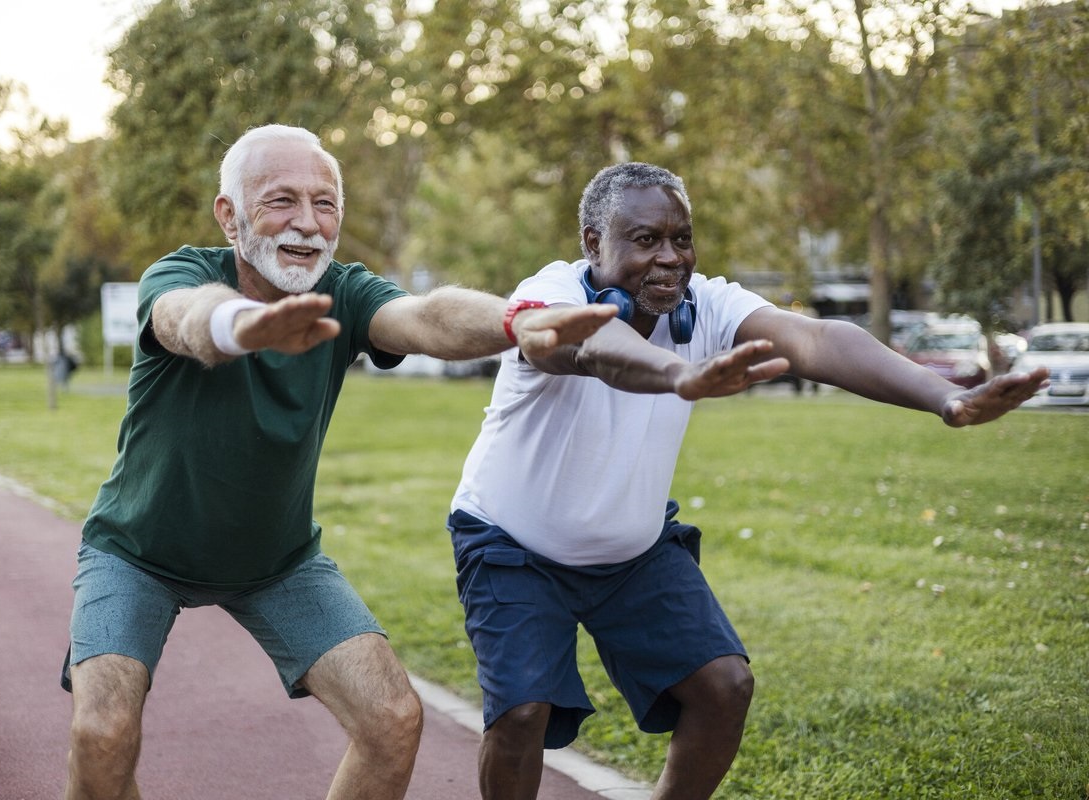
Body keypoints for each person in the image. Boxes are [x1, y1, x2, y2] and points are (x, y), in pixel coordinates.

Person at [446, 161, 1050, 800]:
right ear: (594, 243)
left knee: (723, 687)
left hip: (631, 551)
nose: (670, 258)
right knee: (521, 714)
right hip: (513, 545)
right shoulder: (550, 295)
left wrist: (946, 398)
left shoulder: (703, 303)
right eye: (645, 240)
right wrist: (674, 373)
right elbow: (587, 348)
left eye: (681, 238)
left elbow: (817, 340)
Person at [60, 123, 616, 800]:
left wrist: (515, 322)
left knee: (392, 719)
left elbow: (426, 317)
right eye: (281, 200)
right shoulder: (183, 274)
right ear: (228, 216)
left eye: (325, 203)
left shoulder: (344, 293)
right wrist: (241, 326)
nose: (307, 222)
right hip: (136, 553)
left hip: (276, 562)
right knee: (102, 732)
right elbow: (183, 317)